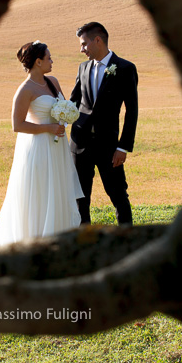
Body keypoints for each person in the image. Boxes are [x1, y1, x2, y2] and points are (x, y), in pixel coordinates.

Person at [0, 41, 84, 247]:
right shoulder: (25, 89)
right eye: (49, 57)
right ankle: (35, 241)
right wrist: (47, 129)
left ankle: (59, 238)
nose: (52, 60)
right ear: (38, 61)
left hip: (57, 148)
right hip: (39, 147)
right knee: (41, 193)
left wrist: (65, 117)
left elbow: (63, 104)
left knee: (57, 190)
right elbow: (17, 125)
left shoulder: (53, 82)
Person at [69, 22, 138, 226]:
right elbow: (73, 102)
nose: (81, 49)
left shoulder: (125, 68)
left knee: (118, 195)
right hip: (79, 145)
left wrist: (123, 146)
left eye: (84, 44)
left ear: (97, 40)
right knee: (80, 198)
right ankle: (83, 240)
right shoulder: (83, 68)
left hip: (109, 146)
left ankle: (127, 238)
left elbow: (132, 111)